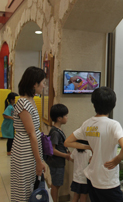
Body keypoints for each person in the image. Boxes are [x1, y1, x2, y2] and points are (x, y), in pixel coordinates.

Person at [64, 87, 123, 202]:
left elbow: (67, 142)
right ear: (113, 105)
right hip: (107, 180)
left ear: (94, 105)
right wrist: (116, 160)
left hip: (92, 177)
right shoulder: (113, 125)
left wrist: (88, 146)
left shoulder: (87, 124)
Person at [10, 66, 46, 202]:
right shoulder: (23, 102)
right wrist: (39, 161)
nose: (44, 85)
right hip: (25, 148)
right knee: (24, 185)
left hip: (31, 147)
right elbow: (31, 133)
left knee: (32, 182)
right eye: (42, 82)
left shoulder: (30, 100)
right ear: (34, 84)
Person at [47, 103, 71, 202]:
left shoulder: (57, 130)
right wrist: (65, 155)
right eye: (65, 115)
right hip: (56, 163)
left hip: (58, 162)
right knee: (56, 185)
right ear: (59, 118)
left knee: (57, 184)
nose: (67, 117)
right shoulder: (55, 132)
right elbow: (52, 150)